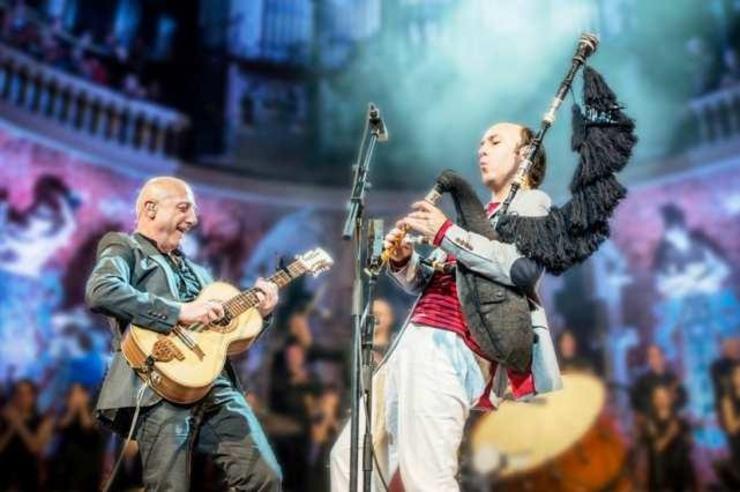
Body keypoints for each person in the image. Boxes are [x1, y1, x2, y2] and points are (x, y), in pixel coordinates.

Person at [331, 122, 562, 491]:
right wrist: (405, 260)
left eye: (494, 141)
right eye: (480, 142)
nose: (481, 149)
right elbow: (430, 280)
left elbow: (518, 267)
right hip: (414, 344)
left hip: (450, 349)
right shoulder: (482, 214)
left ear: (524, 157)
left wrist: (443, 232)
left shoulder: (535, 204)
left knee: (426, 477)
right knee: (349, 459)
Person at [85, 176, 282, 491]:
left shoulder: (200, 273)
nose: (192, 219)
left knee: (265, 477)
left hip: (214, 386)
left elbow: (224, 335)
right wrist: (178, 312)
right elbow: (101, 291)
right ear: (150, 208)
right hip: (158, 385)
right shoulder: (124, 247)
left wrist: (262, 314)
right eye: (183, 208)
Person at [0, 379, 54, 491]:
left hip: (29, 476)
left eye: (27, 393)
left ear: (34, 397)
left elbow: (35, 447)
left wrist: (17, 422)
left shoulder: (44, 420)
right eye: (18, 393)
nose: (22, 398)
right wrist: (11, 426)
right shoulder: (4, 419)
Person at [643, 384, 696, 492]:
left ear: (669, 399)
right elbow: (657, 446)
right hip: (662, 476)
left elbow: (690, 444)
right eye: (658, 397)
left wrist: (689, 438)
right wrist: (670, 434)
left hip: (681, 473)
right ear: (653, 401)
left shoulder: (679, 418)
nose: (662, 400)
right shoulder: (650, 422)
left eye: (664, 396)